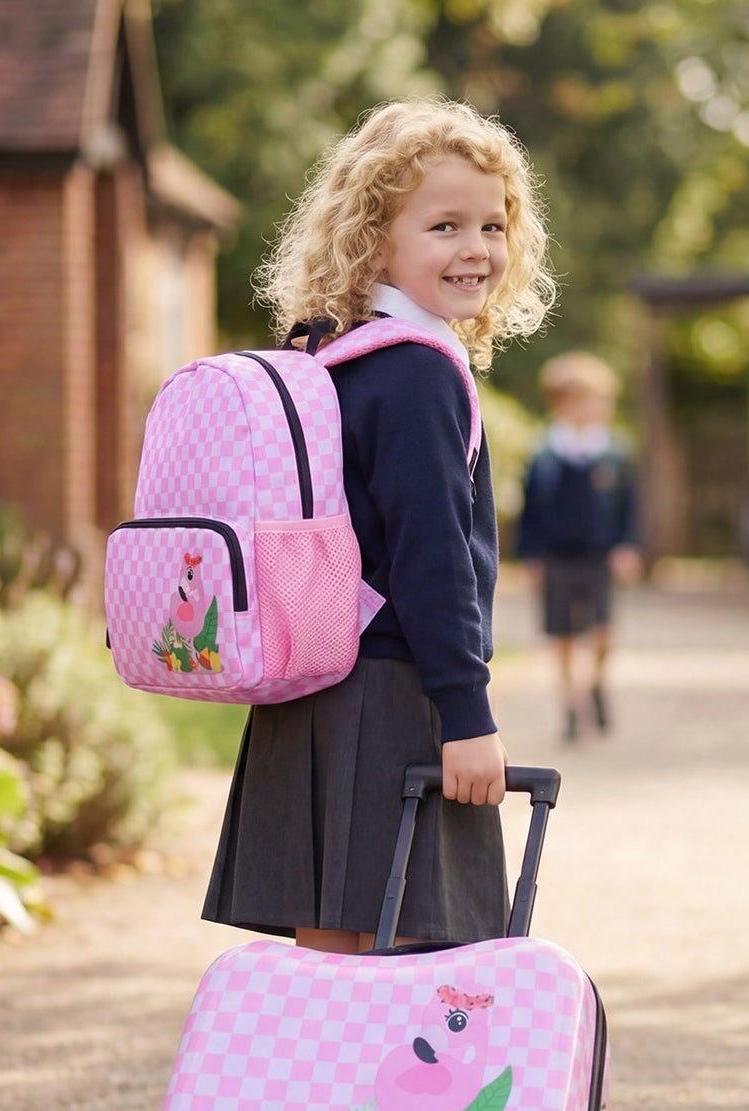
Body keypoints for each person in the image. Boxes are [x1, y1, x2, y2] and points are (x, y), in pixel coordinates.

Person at [202, 97, 557, 955]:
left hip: (315, 689)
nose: (474, 249)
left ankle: (318, 1099)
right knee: (407, 971)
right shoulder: (419, 374)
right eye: (443, 225)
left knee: (330, 965)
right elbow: (431, 555)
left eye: (491, 224)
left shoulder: (332, 355)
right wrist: (467, 716)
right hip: (395, 698)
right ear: (373, 238)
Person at [517, 352, 643, 742]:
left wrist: (628, 545)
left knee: (604, 630)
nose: (598, 409)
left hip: (599, 554)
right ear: (562, 403)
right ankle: (570, 703)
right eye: (588, 400)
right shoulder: (545, 453)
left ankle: (596, 683)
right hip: (557, 555)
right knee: (564, 634)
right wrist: (531, 556)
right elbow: (530, 510)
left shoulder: (614, 453)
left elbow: (631, 506)